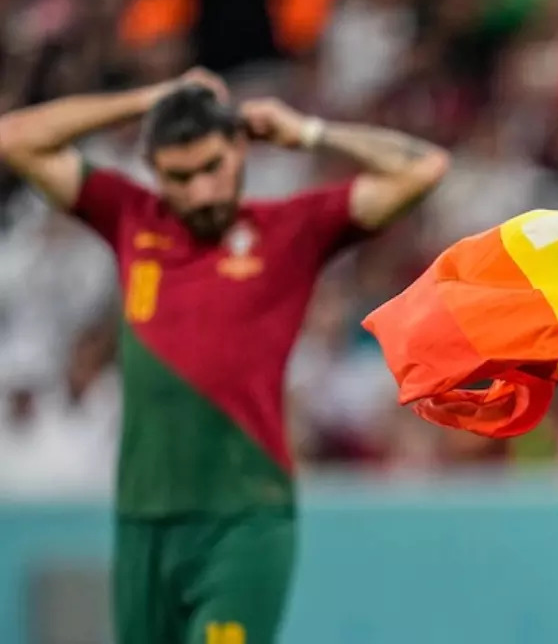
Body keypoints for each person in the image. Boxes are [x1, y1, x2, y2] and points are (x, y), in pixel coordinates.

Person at [0, 68, 450, 644]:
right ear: (156, 173)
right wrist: (148, 98)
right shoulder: (132, 218)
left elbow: (423, 167)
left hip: (243, 519)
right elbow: (17, 138)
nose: (201, 191)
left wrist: (309, 132)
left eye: (213, 167)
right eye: (179, 177)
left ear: (240, 149)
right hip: (144, 524)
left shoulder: (291, 231)